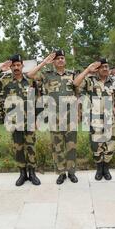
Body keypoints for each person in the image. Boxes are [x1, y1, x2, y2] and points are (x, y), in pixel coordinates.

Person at [26, 50, 79, 185]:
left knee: (71, 146)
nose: (60, 60)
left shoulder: (72, 75)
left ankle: (71, 172)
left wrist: (79, 112)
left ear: (65, 60)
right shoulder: (46, 75)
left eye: (62, 58)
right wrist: (44, 62)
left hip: (70, 117)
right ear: (54, 62)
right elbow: (30, 75)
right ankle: (61, 173)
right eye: (57, 59)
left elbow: (77, 94)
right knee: (57, 146)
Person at [74, 58, 115, 181]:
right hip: (95, 119)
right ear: (97, 69)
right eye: (102, 67)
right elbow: (75, 83)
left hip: (110, 119)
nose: (105, 69)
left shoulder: (114, 82)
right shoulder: (90, 81)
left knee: (110, 145)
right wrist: (87, 70)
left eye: (107, 66)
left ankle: (106, 168)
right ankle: (99, 168)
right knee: (96, 145)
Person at [0, 54, 41, 186]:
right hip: (14, 121)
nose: (16, 67)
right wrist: (0, 70)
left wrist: (37, 119)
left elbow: (38, 100)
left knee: (31, 147)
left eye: (18, 65)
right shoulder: (6, 82)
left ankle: (32, 173)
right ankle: (22, 174)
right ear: (10, 67)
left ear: (22, 66)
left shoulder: (30, 81)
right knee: (18, 148)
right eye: (14, 65)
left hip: (29, 120)